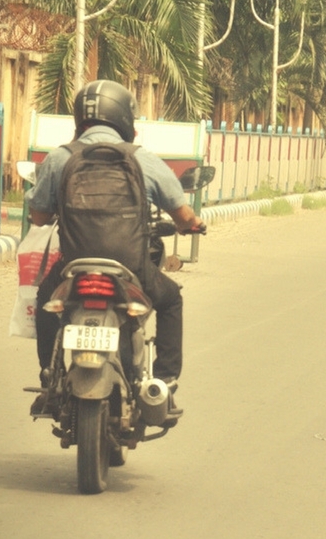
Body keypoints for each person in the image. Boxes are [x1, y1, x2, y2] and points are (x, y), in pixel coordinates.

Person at [26, 80, 205, 417]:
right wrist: (192, 225)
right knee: (171, 300)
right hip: (131, 269)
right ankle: (164, 382)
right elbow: (183, 216)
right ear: (124, 120)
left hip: (75, 268)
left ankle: (49, 379)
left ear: (80, 119)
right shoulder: (144, 161)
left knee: (45, 301)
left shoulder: (59, 158)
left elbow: (38, 216)